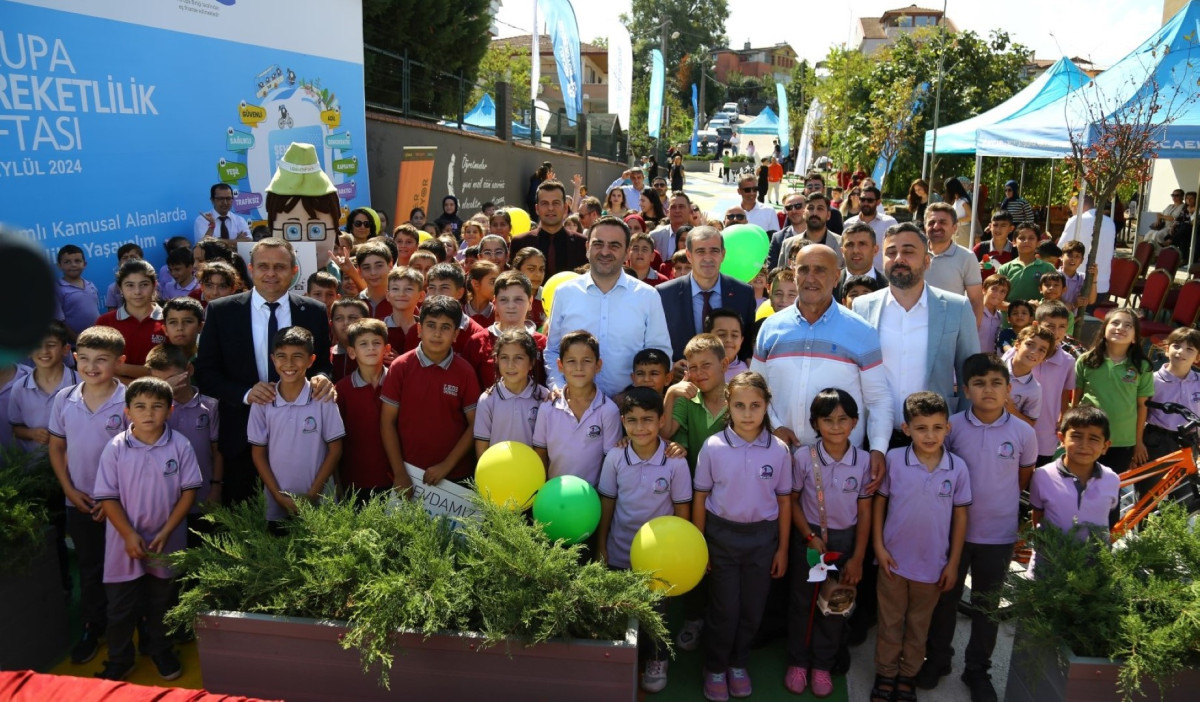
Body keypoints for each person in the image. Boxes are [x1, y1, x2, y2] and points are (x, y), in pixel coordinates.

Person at [918, 355, 1036, 700]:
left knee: (986, 606)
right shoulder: (952, 428)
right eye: (980, 383)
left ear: (1009, 390)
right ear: (965, 390)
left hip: (998, 536)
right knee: (945, 602)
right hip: (952, 534)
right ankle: (938, 658)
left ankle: (977, 670)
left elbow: (1022, 478)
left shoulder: (1023, 432)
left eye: (997, 383)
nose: (988, 389)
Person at [194, 238, 335, 506]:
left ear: (295, 272)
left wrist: (323, 378)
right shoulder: (221, 311)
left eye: (280, 267)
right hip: (242, 436)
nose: (271, 273)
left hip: (302, 440)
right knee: (246, 527)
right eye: (264, 266)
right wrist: (246, 394)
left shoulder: (313, 311)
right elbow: (206, 373)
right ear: (251, 269)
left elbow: (322, 364)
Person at [92, 376, 201, 681]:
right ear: (127, 412)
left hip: (167, 542)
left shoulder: (180, 445)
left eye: (157, 406)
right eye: (139, 406)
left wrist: (167, 531)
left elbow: (189, 492)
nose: (148, 412)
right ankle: (119, 658)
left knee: (161, 603)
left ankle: (160, 650)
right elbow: (108, 497)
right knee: (120, 607)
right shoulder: (115, 448)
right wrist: (128, 534)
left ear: (170, 410)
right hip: (123, 545)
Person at [693, 371, 792, 701]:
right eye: (739, 405)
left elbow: (784, 500)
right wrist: (699, 546)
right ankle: (716, 666)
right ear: (727, 406)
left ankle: (738, 663)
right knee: (725, 609)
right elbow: (700, 498)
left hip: (763, 542)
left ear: (767, 406)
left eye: (755, 405)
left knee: (752, 609)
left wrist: (782, 550)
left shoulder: (778, 450)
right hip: (721, 540)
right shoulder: (713, 447)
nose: (747, 413)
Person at [755, 244, 892, 471]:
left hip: (842, 464)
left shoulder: (861, 331)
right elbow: (756, 389)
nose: (810, 278)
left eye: (820, 270)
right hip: (780, 457)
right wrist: (776, 427)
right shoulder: (771, 327)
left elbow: (878, 399)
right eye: (804, 269)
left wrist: (878, 449)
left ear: (836, 276)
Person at [871, 391, 971, 702]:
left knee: (918, 627)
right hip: (893, 562)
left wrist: (953, 563)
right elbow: (879, 504)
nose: (930, 435)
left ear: (947, 429)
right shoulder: (894, 460)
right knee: (889, 623)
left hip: (932, 566)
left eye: (937, 427)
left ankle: (907, 675)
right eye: (921, 428)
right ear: (907, 429)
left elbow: (961, 517)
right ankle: (886, 673)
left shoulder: (957, 468)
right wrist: (879, 547)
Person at [597, 386, 692, 693]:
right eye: (632, 420)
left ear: (661, 420)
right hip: (620, 550)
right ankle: (619, 662)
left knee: (655, 615)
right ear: (623, 422)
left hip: (658, 560)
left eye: (648, 420)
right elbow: (608, 503)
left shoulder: (675, 462)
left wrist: (678, 556)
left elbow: (682, 512)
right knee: (619, 611)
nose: (640, 427)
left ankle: (656, 659)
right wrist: (601, 546)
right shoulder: (615, 457)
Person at [48, 326, 129, 665]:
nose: (91, 367)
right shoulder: (64, 398)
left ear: (120, 362)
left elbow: (138, 456)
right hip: (79, 501)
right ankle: (93, 625)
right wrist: (68, 489)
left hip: (124, 506)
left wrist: (114, 501)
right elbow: (56, 446)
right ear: (74, 358)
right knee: (91, 567)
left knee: (126, 569)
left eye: (102, 360)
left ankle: (126, 628)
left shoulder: (129, 400)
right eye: (84, 359)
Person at [785, 389, 873, 697]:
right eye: (827, 420)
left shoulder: (863, 462)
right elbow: (792, 502)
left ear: (855, 422)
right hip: (810, 543)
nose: (836, 426)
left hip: (846, 542)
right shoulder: (803, 458)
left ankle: (822, 664)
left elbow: (865, 511)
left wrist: (859, 557)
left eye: (843, 419)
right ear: (815, 424)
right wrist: (809, 538)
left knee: (836, 604)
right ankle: (798, 661)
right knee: (803, 601)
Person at [855, 222, 981, 434]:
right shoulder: (862, 306)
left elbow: (969, 374)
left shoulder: (956, 307)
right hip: (874, 434)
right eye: (891, 252)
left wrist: (963, 429)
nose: (898, 259)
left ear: (926, 261)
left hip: (934, 438)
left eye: (908, 251)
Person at [544, 217, 671, 397]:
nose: (605, 252)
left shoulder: (647, 296)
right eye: (598, 244)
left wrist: (633, 396)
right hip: (573, 407)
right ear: (587, 247)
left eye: (614, 245)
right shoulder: (565, 292)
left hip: (628, 412)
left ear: (627, 252)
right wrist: (558, 385)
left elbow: (659, 355)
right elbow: (553, 350)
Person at [248, 326, 344, 530]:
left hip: (319, 502)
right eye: (282, 356)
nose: (289, 364)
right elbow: (258, 454)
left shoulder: (323, 397)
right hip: (276, 504)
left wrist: (312, 495)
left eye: (298, 356)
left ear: (311, 360)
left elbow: (335, 450)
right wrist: (278, 497)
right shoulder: (263, 401)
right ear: (273, 359)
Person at [380, 296, 481, 490]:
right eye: (431, 325)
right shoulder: (401, 367)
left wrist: (446, 466)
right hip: (408, 474)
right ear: (419, 330)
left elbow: (474, 424)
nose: (437, 333)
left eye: (445, 327)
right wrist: (400, 472)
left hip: (455, 476)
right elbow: (387, 422)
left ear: (455, 335)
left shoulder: (465, 371)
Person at [144, 344, 221, 544]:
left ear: (189, 371)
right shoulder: (153, 412)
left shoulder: (210, 407)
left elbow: (217, 451)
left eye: (171, 379)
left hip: (202, 497)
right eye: (158, 382)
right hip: (164, 502)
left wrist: (216, 487)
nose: (165, 386)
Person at [657, 226, 757, 364]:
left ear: (723, 254)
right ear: (689, 255)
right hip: (681, 381)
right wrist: (671, 367)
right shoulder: (664, 294)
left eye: (714, 251)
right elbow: (656, 342)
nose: (708, 258)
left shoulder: (743, 293)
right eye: (700, 251)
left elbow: (746, 344)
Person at [533, 330, 621, 486]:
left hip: (592, 500)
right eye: (571, 361)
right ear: (560, 365)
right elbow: (540, 453)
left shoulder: (609, 410)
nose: (579, 367)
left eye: (586, 360)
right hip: (554, 497)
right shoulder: (547, 408)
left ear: (598, 365)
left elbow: (610, 463)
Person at [1073, 308, 1153, 473]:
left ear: (1135, 338)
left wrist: (1138, 441)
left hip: (1122, 441)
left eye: (1128, 325)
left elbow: (1142, 406)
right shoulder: (1086, 360)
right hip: (1087, 435)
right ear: (1104, 330)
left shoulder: (1142, 366)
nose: (1120, 327)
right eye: (1115, 323)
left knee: (1109, 490)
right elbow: (1075, 399)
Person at [1029, 406, 1119, 540]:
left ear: (1105, 446)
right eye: (1076, 436)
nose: (1084, 445)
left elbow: (1110, 520)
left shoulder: (1112, 479)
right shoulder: (1043, 475)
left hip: (1094, 559)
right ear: (1061, 438)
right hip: (1049, 558)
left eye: (1093, 439)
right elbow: (1037, 518)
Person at [332, 318, 393, 501]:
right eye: (363, 344)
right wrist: (337, 484)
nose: (371, 348)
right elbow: (334, 440)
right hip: (354, 481)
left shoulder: (398, 382)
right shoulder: (341, 390)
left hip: (395, 479)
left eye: (376, 343)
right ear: (352, 352)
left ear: (387, 349)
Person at [264, 143, 343, 277]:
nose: (306, 243)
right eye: (292, 231)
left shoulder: (334, 274)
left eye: (316, 230)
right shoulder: (269, 277)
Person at [464, 271, 547, 389]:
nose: (511, 306)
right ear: (495, 302)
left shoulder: (543, 343)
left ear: (530, 302)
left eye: (518, 299)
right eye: (504, 300)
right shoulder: (477, 342)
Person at [662, 334, 728, 474]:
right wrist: (671, 393)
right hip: (695, 487)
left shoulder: (737, 400)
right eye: (693, 367)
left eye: (706, 365)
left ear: (723, 365)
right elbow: (665, 433)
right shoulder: (686, 399)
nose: (699, 373)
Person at [474, 328, 549, 453]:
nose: (510, 365)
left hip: (532, 471)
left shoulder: (544, 397)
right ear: (496, 360)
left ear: (531, 363)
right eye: (504, 357)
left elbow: (544, 448)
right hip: (497, 471)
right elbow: (482, 448)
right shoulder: (487, 400)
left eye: (518, 358)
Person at [9, 322, 77, 456]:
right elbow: (16, 428)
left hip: (74, 463)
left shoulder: (81, 384)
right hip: (34, 469)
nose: (44, 351)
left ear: (66, 349)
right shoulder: (19, 387)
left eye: (51, 345)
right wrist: (31, 433)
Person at [96, 259, 165, 382]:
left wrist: (121, 369)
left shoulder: (169, 320)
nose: (137, 292)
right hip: (116, 395)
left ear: (154, 285)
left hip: (159, 394)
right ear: (120, 288)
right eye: (130, 285)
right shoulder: (105, 322)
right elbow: (97, 366)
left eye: (144, 284)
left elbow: (170, 369)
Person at [510, 181, 589, 277]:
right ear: (537, 209)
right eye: (544, 203)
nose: (550, 208)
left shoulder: (582, 244)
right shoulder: (520, 243)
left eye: (556, 203)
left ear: (565, 208)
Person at [924, 203, 984, 324]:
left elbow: (976, 301)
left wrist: (970, 335)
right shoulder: (914, 255)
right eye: (931, 223)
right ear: (925, 227)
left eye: (943, 222)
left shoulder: (967, 257)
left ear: (954, 228)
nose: (936, 226)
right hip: (916, 328)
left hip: (950, 330)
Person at [1058, 194, 1117, 299]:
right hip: (1103, 284)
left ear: (1075, 206)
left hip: (1077, 284)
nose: (1072, 212)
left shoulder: (1077, 220)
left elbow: (1060, 249)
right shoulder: (1110, 222)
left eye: (1071, 208)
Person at [777, 193, 844, 270]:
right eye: (810, 208)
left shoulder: (841, 244)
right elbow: (781, 277)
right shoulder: (788, 244)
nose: (814, 213)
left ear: (828, 215)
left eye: (820, 208)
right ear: (804, 213)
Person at [999, 223, 1056, 303]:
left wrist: (1038, 306)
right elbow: (997, 300)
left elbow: (1055, 296)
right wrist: (1019, 307)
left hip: (1038, 314)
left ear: (1038, 243)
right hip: (1009, 315)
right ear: (1014, 242)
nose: (1026, 241)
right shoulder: (1005, 269)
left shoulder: (1048, 268)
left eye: (1031, 238)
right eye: (1022, 238)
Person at [843, 186, 897, 270]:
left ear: (878, 202)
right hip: (854, 276)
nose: (865, 203)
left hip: (881, 277)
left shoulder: (889, 223)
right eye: (862, 199)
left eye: (870, 200)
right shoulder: (848, 224)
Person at [55, 245, 101, 340]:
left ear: (84, 264)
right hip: (74, 344)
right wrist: (77, 339)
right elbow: (59, 322)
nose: (73, 265)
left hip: (96, 339)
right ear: (59, 266)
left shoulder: (91, 285)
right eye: (67, 262)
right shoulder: (58, 289)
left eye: (77, 261)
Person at [382, 267, 423, 359]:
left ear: (421, 296)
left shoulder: (427, 329)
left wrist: (400, 363)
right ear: (387, 295)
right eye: (395, 289)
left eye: (408, 289)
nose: (401, 294)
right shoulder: (377, 329)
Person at [649, 192, 694, 262]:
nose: (677, 210)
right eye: (673, 207)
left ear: (689, 210)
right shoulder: (655, 236)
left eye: (681, 206)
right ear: (667, 212)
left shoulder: (698, 236)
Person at [705, 309, 748, 380]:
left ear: (741, 340)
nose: (729, 340)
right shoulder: (694, 371)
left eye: (734, 335)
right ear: (706, 338)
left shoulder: (748, 372)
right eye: (721, 335)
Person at [978, 275, 1010, 354]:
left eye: (1003, 291)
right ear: (984, 290)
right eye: (994, 289)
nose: (998, 294)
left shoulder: (999, 317)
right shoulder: (974, 312)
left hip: (989, 361)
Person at [465, 261, 499, 328]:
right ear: (475, 284)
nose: (497, 286)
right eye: (493, 282)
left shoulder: (498, 313)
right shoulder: (461, 313)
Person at [943, 177, 974, 248]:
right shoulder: (956, 201)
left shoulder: (963, 201)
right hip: (956, 230)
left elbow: (970, 216)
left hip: (963, 230)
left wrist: (955, 220)